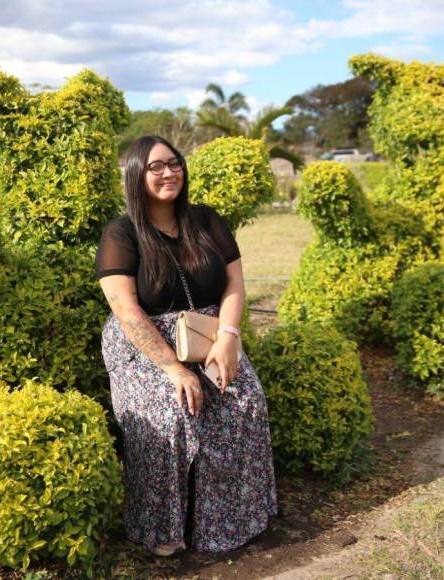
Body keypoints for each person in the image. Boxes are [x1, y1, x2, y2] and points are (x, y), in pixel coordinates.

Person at [96, 135, 278, 556]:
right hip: (145, 344)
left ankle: (232, 518)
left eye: (174, 163)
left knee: (244, 400)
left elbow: (234, 283)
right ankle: (163, 527)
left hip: (208, 332)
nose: (167, 173)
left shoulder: (206, 220)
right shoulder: (121, 232)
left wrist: (229, 338)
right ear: (136, 176)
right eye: (155, 167)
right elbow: (125, 310)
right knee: (172, 411)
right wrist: (174, 369)